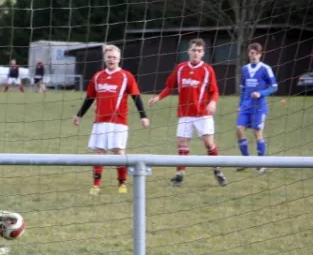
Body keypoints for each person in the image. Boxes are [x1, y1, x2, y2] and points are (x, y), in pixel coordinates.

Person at [148, 38, 227, 187]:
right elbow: (170, 86)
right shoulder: (180, 68)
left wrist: (213, 102)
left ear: (203, 53)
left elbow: (214, 90)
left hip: (203, 114)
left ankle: (218, 170)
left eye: (199, 51)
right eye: (193, 50)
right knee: (182, 143)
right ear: (188, 51)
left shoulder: (207, 69)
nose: (196, 53)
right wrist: (158, 97)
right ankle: (179, 175)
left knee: (209, 144)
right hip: (185, 114)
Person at [73, 45, 149, 196]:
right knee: (99, 153)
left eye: (114, 57)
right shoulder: (97, 76)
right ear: (105, 58)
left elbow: (136, 97)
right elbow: (89, 98)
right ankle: (96, 185)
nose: (111, 60)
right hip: (100, 121)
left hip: (119, 121)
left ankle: (121, 183)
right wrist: (79, 115)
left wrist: (143, 116)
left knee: (119, 152)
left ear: (119, 59)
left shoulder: (127, 76)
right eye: (109, 57)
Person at [236, 43, 278, 173]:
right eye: (251, 53)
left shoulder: (266, 68)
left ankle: (261, 164)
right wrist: (240, 105)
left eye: (256, 53)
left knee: (257, 132)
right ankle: (246, 161)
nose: (254, 56)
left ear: (260, 54)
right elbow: (243, 89)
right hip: (246, 106)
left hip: (259, 106)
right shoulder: (244, 69)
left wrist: (261, 93)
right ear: (248, 54)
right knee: (239, 129)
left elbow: (274, 86)